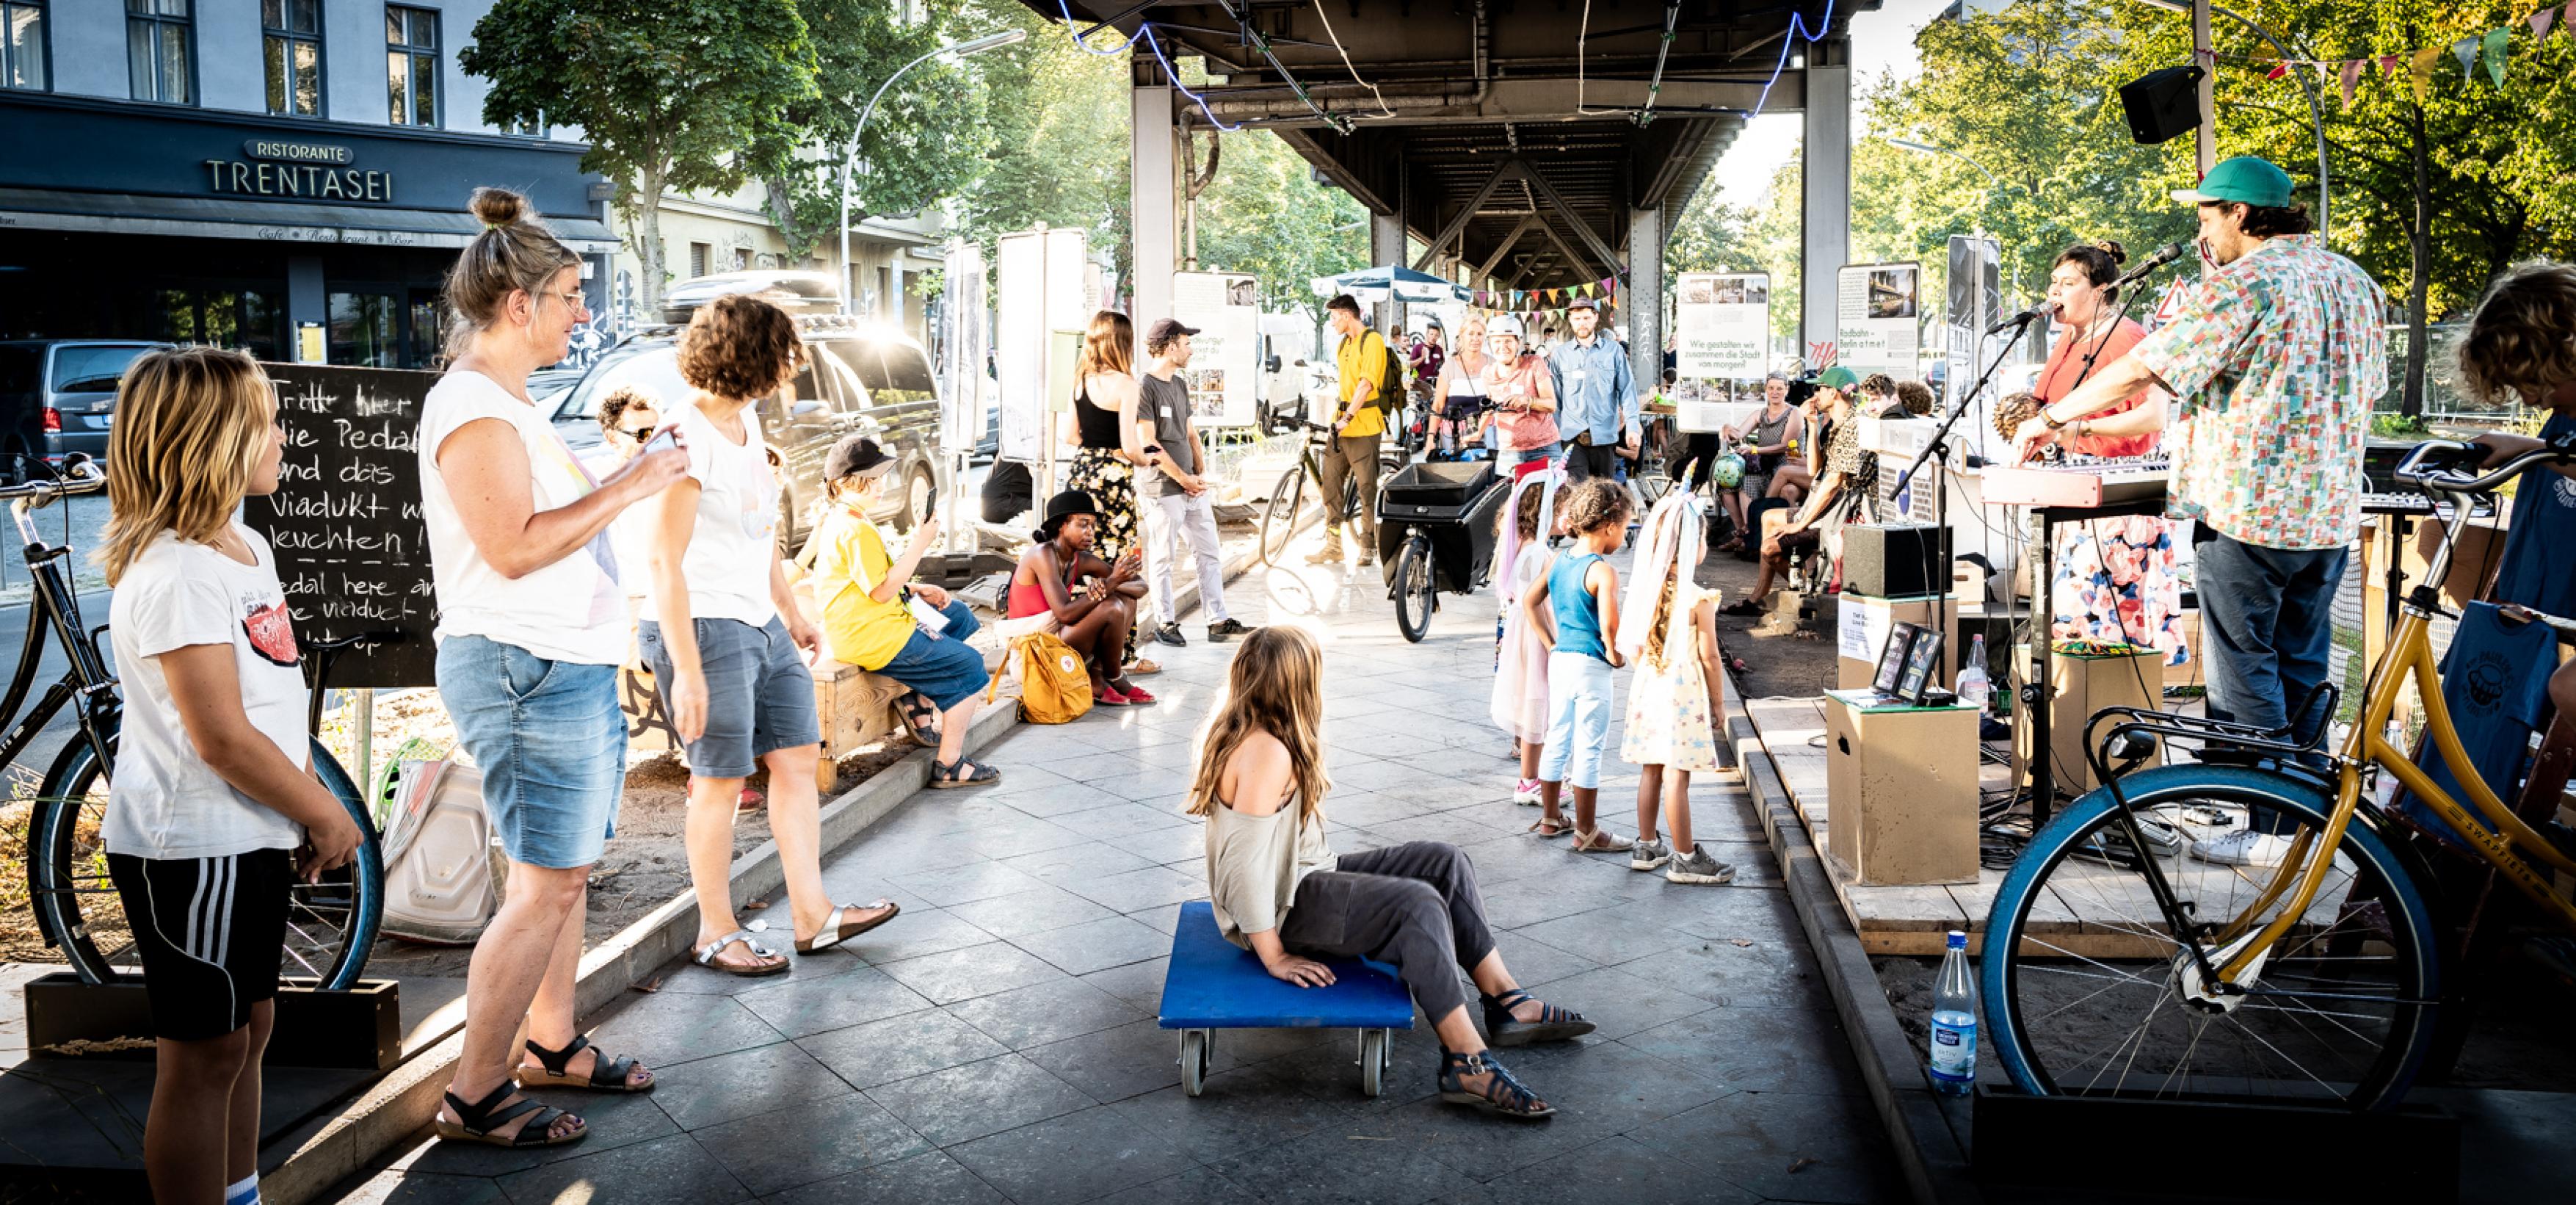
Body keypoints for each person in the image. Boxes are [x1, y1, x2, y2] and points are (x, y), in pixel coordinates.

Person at [2012, 156, 2384, 866]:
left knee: (2244, 672)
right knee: (2302, 666)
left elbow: (2144, 367)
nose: (2201, 231)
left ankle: (2272, 828)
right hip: (2330, 512)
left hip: (2248, 508)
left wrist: (2049, 418)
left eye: (2206, 215)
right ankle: (2304, 822)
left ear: (2240, 214)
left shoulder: (2245, 283)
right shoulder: (2353, 280)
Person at [423, 188, 678, 1147]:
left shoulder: (508, 404)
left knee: (562, 879)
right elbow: (514, 547)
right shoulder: (473, 407)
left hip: (554, 666)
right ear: (517, 304)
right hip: (521, 669)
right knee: (543, 886)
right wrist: (632, 482)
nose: (584, 312)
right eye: (571, 294)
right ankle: (476, 1091)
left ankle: (552, 1041)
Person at [95, 350, 360, 1201]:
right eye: (268, 422)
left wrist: (292, 817)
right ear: (212, 440)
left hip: (248, 834)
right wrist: (324, 813)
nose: (285, 436)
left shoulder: (243, 545)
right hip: (193, 847)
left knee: (250, 1030)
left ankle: (238, 1193)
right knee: (203, 1052)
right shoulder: (174, 572)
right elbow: (221, 739)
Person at [1191, 626, 1593, 1120]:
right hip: (1284, 906)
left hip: (1302, 877)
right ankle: (1466, 1063)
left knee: (1443, 861)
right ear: (1297, 683)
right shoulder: (1265, 750)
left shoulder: (1265, 736)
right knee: (1416, 905)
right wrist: (1272, 954)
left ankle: (1505, 1000)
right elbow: (1241, 863)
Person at [639, 294, 899, 976]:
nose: (790, 370)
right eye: (782, 355)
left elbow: (760, 534)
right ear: (748, 357)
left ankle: (812, 915)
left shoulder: (747, 422)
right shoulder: (682, 436)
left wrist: (790, 608)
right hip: (705, 625)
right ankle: (714, 930)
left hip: (757, 617)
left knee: (796, 756)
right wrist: (688, 669)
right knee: (719, 778)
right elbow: (664, 560)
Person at [2030, 241, 2188, 666]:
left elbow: (2154, 416)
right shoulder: (2069, 336)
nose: (2054, 291)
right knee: (2075, 625)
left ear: (2099, 290)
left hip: (2114, 498)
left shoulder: (2128, 336)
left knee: (2106, 629)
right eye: (2053, 282)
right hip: (2073, 490)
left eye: (2067, 283)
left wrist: (2079, 427)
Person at [810, 434, 999, 786]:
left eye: (881, 478)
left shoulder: (847, 519)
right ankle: (950, 764)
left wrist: (914, 589)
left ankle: (918, 698)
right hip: (876, 634)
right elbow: (881, 592)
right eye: (872, 479)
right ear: (848, 482)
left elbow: (865, 582)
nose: (881, 486)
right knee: (970, 668)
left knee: (955, 615)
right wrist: (919, 544)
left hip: (875, 623)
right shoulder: (854, 528)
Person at [1615, 491, 1736, 885]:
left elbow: (1631, 643)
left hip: (1649, 685)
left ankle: (1647, 845)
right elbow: (1711, 658)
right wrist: (1718, 706)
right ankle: (1686, 857)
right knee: (1677, 777)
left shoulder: (1644, 594)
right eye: (1701, 539)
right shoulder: (1698, 599)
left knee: (1651, 770)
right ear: (1691, 547)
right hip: (1681, 694)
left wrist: (1651, 670)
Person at [1520, 479, 1636, 852]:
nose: (1624, 537)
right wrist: (1614, 654)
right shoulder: (1602, 571)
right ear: (1609, 527)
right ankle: (1587, 831)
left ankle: (1551, 819)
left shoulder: (1560, 560)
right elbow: (1610, 625)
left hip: (1562, 661)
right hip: (1590, 665)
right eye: (1625, 529)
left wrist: (1551, 644)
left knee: (1557, 737)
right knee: (1588, 747)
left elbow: (1529, 601)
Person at [1135, 318, 1249, 646]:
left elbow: (1190, 433)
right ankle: (1165, 621)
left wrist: (1197, 475)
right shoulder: (1145, 387)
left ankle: (1217, 620)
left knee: (1209, 551)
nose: (1191, 349)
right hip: (1162, 488)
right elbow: (1148, 443)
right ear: (1171, 347)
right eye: (1187, 343)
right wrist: (1183, 478)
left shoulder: (1180, 385)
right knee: (1163, 557)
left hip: (1191, 488)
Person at [1724, 366, 1865, 616]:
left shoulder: (1852, 426)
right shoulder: (1836, 423)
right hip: (1826, 505)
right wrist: (1812, 426)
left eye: (1819, 389)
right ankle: (1763, 595)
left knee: (1769, 547)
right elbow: (1815, 469)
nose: (1815, 394)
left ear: (1833, 393)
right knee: (1768, 518)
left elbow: (1832, 484)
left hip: (1840, 515)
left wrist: (1800, 524)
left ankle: (1804, 587)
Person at [1067, 311, 1159, 670]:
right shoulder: (1125, 384)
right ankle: (1121, 657)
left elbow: (1071, 437)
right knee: (1122, 564)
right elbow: (1129, 445)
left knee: (1082, 560)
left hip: (1079, 475)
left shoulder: (1079, 380)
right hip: (1113, 482)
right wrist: (1147, 458)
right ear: (1123, 342)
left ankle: (1082, 650)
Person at [1006, 490, 1150, 702]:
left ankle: (1098, 678)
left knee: (1125, 600)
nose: (1090, 532)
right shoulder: (1043, 555)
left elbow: (1140, 587)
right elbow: (1065, 614)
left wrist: (1115, 583)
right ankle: (1114, 677)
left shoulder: (1079, 559)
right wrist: (1111, 583)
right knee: (1110, 607)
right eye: (1083, 524)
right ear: (1062, 526)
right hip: (1033, 654)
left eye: (1093, 525)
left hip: (1056, 641)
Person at [1490, 471, 1561, 807]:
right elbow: (1539, 604)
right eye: (1563, 508)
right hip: (1535, 636)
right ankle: (1530, 780)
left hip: (1525, 632)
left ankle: (1537, 775)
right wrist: (1553, 641)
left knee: (1538, 706)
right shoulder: (1537, 554)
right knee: (1537, 705)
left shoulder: (1529, 547)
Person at [1313, 294, 1392, 566]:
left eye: (1334, 317)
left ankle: (1367, 546)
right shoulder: (1343, 345)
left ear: (1347, 315)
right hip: (1341, 428)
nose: (1332, 322)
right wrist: (1338, 421)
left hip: (1364, 426)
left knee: (1366, 489)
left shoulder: (1373, 342)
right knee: (1331, 485)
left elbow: (1366, 385)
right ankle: (1333, 545)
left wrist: (1347, 417)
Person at [1548, 297, 1638, 484]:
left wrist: (1633, 428)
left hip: (1604, 436)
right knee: (1576, 493)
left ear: (1596, 318)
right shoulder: (1560, 355)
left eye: (1587, 318)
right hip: (1572, 438)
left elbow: (1628, 391)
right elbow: (1555, 400)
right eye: (1578, 318)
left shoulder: (1614, 351)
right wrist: (1555, 437)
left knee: (1604, 494)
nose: (1583, 323)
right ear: (1570, 319)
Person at [1713, 373, 1796, 554]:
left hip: (1785, 466)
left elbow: (1786, 446)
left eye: (1780, 388)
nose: (1775, 392)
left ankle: (1750, 534)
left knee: (1748, 480)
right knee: (1726, 481)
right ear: (1766, 390)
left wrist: (1756, 450)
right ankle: (1742, 532)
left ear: (1787, 390)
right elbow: (1739, 434)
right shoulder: (1761, 413)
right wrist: (1728, 427)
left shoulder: (1793, 413)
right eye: (1771, 388)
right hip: (1763, 466)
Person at [1483, 315, 1560, 475]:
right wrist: (1476, 434)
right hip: (1509, 452)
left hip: (1544, 448)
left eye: (1508, 341)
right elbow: (1489, 410)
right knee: (1509, 498)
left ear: (1518, 343)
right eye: (1497, 341)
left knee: (1551, 498)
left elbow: (1551, 405)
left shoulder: (1534, 363)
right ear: (1490, 344)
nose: (1503, 347)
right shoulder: (1488, 374)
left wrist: (1528, 401)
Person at [1429, 315, 1490, 460]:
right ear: (1462, 336)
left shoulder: (1493, 364)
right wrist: (1430, 438)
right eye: (1471, 334)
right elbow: (1438, 405)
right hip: (1454, 435)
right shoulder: (1449, 366)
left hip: (1487, 433)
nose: (1475, 338)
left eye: (1479, 334)